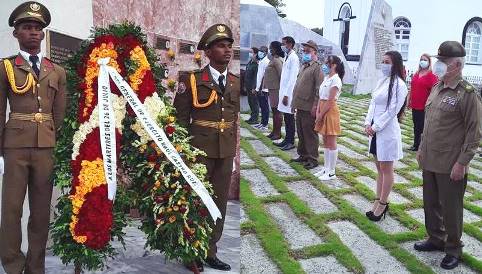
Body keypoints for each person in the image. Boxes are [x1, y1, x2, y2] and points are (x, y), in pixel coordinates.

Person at [0, 2, 67, 273]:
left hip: (45, 149)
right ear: (16, 33)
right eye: (27, 28)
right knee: (12, 211)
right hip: (14, 148)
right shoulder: (5, 67)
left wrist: (54, 143)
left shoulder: (57, 71)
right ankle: (13, 265)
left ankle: (35, 266)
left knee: (40, 213)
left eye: (38, 29)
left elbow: (59, 114)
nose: (34, 33)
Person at [174, 23, 239, 272]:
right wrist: (183, 152)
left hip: (224, 153)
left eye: (229, 46)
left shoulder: (234, 82)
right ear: (208, 51)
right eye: (221, 46)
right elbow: (180, 119)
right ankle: (191, 251)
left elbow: (233, 122)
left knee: (219, 203)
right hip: (198, 152)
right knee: (196, 202)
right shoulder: (191, 80)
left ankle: (210, 251)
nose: (227, 50)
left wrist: (232, 154)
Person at [414, 41, 481, 270]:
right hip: (431, 158)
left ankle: (453, 249)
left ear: (457, 65)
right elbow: (430, 123)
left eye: (443, 62)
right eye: (439, 60)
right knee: (430, 203)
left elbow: (474, 133)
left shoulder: (467, 94)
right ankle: (435, 238)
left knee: (451, 210)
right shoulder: (437, 87)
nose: (438, 65)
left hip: (451, 163)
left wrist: (462, 163)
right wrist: (421, 148)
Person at [364, 51, 408, 222]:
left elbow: (392, 111)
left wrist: (375, 126)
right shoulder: (382, 81)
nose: (384, 64)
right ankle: (377, 199)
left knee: (386, 168)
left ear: (395, 64)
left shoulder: (400, 85)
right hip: (375, 130)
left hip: (386, 131)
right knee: (378, 168)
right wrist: (367, 123)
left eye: (387, 61)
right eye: (382, 61)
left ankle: (383, 203)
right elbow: (373, 103)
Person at [290, 40, 322, 169]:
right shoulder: (304, 66)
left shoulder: (317, 67)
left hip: (309, 106)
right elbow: (298, 85)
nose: (305, 53)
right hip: (300, 104)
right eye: (304, 51)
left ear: (314, 52)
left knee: (310, 133)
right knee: (301, 132)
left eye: (308, 51)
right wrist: (293, 103)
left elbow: (319, 89)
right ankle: (303, 155)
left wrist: (315, 106)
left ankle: (312, 158)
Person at [314, 55, 345, 179]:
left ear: (334, 65)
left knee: (331, 141)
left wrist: (320, 115)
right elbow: (321, 96)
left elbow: (331, 100)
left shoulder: (336, 80)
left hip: (330, 111)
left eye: (328, 63)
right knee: (325, 141)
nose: (325, 65)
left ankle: (331, 171)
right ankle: (326, 168)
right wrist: (318, 112)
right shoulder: (327, 78)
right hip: (322, 107)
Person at [407, 53, 438, 151]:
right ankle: (416, 144)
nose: (422, 61)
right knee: (416, 125)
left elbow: (434, 91)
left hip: (424, 105)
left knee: (423, 126)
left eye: (425, 60)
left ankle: (423, 145)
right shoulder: (416, 74)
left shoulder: (432, 75)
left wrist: (430, 104)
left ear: (429, 62)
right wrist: (408, 100)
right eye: (421, 59)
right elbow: (411, 88)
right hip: (415, 104)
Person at [275, 36, 300, 150]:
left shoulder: (294, 58)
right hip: (283, 91)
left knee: (290, 119)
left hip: (288, 94)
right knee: (286, 117)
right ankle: (286, 139)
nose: (282, 46)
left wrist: (287, 95)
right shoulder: (287, 56)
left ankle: (290, 141)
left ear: (290, 44)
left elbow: (292, 78)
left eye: (284, 43)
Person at [264, 41, 284, 140]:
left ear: (275, 49)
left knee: (277, 111)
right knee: (274, 111)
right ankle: (274, 131)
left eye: (271, 48)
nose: (270, 49)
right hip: (272, 89)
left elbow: (281, 75)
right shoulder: (273, 59)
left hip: (277, 89)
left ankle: (277, 133)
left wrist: (282, 90)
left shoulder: (277, 60)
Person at [253, 46, 270, 132]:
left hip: (263, 89)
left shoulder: (266, 62)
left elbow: (265, 77)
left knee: (265, 107)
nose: (260, 53)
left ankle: (265, 124)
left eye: (262, 51)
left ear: (266, 53)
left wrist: (260, 88)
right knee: (262, 106)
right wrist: (256, 88)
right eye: (259, 51)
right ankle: (262, 122)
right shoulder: (261, 61)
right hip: (259, 87)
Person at [244, 47, 259, 125]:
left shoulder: (256, 64)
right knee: (250, 102)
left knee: (254, 102)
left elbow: (256, 77)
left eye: (252, 52)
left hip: (253, 87)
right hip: (248, 86)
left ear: (256, 54)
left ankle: (255, 118)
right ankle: (252, 117)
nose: (250, 54)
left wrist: (254, 87)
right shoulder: (250, 62)